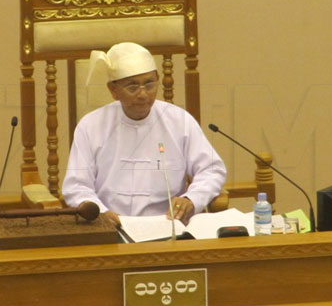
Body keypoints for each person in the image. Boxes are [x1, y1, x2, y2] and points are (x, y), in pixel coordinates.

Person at [62, 42, 226, 226]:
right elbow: (76, 186)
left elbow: (212, 170)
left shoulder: (180, 121)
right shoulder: (90, 126)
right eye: (132, 87)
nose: (143, 94)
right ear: (113, 90)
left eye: (149, 84)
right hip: (110, 227)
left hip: (170, 225)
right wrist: (100, 213)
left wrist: (191, 199)